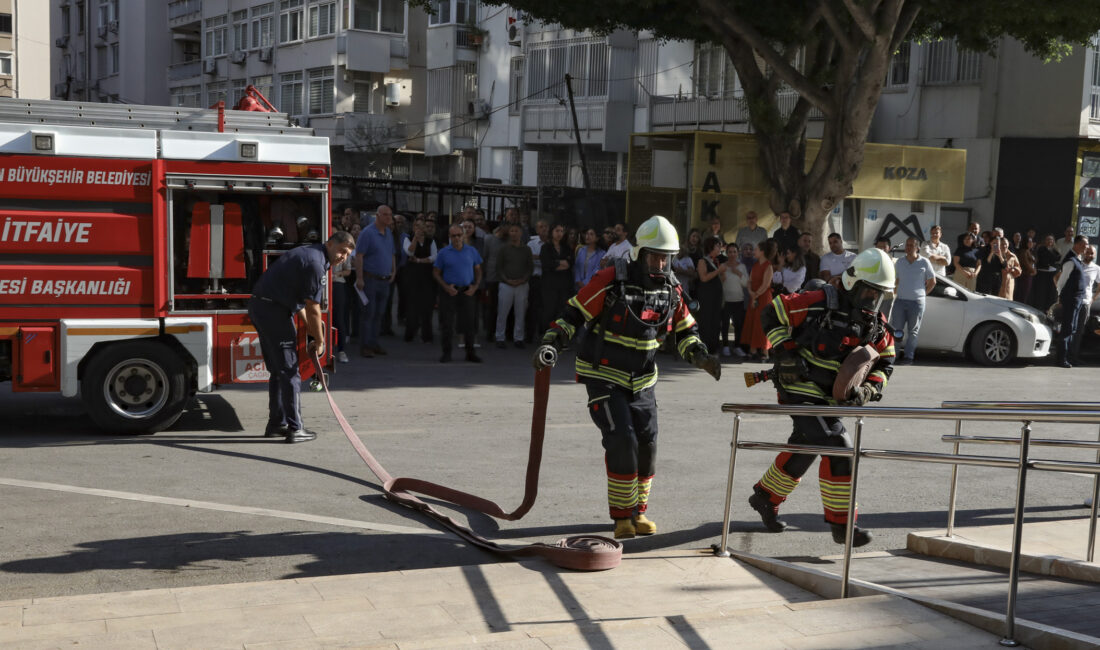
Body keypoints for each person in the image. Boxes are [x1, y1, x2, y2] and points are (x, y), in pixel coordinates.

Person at [532, 215, 720, 540]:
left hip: (643, 380)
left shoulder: (671, 289)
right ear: (639, 253)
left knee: (647, 444)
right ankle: (621, 518)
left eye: (666, 257)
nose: (660, 263)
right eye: (654, 256)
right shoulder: (611, 280)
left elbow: (688, 330)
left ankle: (638, 512)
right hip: (603, 374)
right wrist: (551, 343)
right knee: (623, 439)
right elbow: (573, 313)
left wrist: (700, 356)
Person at [747, 248, 896, 547]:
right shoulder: (818, 302)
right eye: (869, 292)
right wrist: (786, 353)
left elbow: (886, 360)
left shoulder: (875, 323)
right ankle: (842, 526)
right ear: (853, 282)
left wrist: (868, 389)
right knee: (838, 445)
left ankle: (765, 497)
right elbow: (772, 312)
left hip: (830, 400)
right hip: (798, 390)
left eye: (879, 296)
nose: (873, 301)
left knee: (806, 446)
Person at [249, 232, 356, 444]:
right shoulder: (316, 264)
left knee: (278, 371)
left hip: (262, 307)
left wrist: (312, 331)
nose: (343, 257)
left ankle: (276, 424)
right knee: (289, 371)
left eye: (348, 254)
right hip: (273, 311)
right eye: (342, 251)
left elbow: (300, 305)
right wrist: (320, 340)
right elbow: (313, 308)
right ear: (330, 243)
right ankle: (295, 428)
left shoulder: (312, 255)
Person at [434, 225, 484, 363]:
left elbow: (478, 270)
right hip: (449, 291)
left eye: (459, 235)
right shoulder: (444, 253)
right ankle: (446, 352)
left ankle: (470, 353)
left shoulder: (471, 251)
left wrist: (475, 286)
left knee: (469, 323)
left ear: (463, 235)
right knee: (447, 324)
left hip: (467, 291)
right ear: (449, 237)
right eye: (453, 236)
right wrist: (445, 287)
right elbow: (436, 273)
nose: (456, 238)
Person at [354, 204, 396, 358]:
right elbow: (359, 256)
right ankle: (365, 345)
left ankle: (373, 342)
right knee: (368, 313)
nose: (389, 218)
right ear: (377, 216)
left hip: (384, 280)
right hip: (370, 279)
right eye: (385, 215)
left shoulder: (389, 233)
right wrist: (359, 278)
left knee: (379, 314)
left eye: (390, 215)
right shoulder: (367, 233)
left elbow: (391, 253)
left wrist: (393, 270)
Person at [891, 237, 936, 365]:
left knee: (913, 331)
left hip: (917, 303)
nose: (908, 247)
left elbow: (933, 282)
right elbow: (897, 281)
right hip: (900, 301)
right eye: (907, 245)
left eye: (911, 245)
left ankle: (908, 357)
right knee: (897, 330)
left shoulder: (924, 262)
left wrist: (923, 294)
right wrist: (893, 294)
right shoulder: (899, 262)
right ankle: (894, 355)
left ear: (917, 248)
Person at [1053, 235, 1090, 367]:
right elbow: (1061, 282)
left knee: (1072, 329)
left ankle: (1067, 357)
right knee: (1067, 329)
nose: (1086, 246)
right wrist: (1060, 297)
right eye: (1085, 244)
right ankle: (1061, 359)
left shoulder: (1077, 259)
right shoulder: (1070, 260)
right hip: (1071, 300)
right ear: (1078, 244)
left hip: (1078, 299)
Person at [495, 224, 534, 348]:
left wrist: (523, 279)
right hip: (506, 284)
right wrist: (507, 280)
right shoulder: (503, 249)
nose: (514, 233)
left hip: (522, 285)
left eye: (516, 231)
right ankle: (500, 337)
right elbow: (499, 267)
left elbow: (530, 267)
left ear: (521, 233)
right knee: (502, 312)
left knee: (520, 313)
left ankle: (518, 338)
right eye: (511, 230)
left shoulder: (526, 249)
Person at [402, 216, 438, 343]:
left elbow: (434, 257)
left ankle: (427, 335)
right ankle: (410, 333)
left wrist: (419, 260)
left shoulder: (431, 241)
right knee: (412, 306)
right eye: (417, 226)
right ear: (414, 227)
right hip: (412, 276)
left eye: (422, 226)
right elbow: (410, 252)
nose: (420, 229)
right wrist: (415, 239)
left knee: (427, 306)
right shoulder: (408, 239)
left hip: (427, 276)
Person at [743, 240, 776, 362]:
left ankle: (765, 352)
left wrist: (755, 295)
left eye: (756, 249)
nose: (754, 251)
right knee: (753, 322)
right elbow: (750, 280)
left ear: (762, 252)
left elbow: (765, 285)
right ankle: (753, 350)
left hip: (763, 298)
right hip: (755, 297)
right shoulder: (756, 265)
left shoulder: (768, 266)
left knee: (762, 323)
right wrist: (751, 293)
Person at [695, 236, 727, 354]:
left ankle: (714, 347)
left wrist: (722, 274)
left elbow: (719, 278)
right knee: (706, 320)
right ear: (711, 247)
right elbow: (703, 278)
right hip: (706, 296)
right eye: (717, 245)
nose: (719, 248)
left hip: (716, 295)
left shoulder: (717, 261)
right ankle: (705, 346)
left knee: (715, 321)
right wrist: (718, 271)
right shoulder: (702, 261)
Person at [1070, 245, 1099, 365]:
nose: (1089, 255)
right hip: (1074, 301)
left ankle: (1073, 357)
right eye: (1087, 252)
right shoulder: (1077, 265)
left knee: (1079, 331)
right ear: (1083, 253)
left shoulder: (1097, 269)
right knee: (1069, 329)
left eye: (1092, 253)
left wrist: (1093, 298)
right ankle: (1064, 355)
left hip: (1086, 303)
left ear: (1095, 255)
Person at [540, 223, 574, 326]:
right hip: (549, 285)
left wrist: (556, 263)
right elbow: (547, 264)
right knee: (549, 310)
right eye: (557, 231)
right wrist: (560, 263)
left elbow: (570, 263)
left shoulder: (567, 247)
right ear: (552, 232)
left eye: (561, 231)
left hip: (564, 284)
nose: (559, 233)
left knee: (562, 310)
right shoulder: (546, 247)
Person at [719, 242, 749, 358]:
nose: (732, 254)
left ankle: (737, 347)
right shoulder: (723, 266)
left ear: (738, 253)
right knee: (725, 324)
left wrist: (739, 274)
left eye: (734, 252)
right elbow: (717, 283)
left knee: (738, 324)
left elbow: (747, 283)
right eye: (730, 252)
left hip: (738, 299)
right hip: (726, 300)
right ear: (727, 253)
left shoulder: (742, 267)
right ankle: (725, 346)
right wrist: (722, 278)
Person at [1033, 235, 1061, 312]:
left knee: (1051, 291)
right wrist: (1050, 256)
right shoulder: (1041, 249)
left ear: (1053, 241)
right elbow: (1043, 259)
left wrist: (1051, 253)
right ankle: (1039, 307)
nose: (1049, 241)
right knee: (1041, 291)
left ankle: (1048, 308)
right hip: (1042, 273)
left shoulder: (1055, 250)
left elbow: (1057, 258)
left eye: (1051, 240)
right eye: (1048, 240)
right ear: (1045, 241)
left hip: (1052, 274)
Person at [1015, 236, 1037, 305]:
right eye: (1029, 242)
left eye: (1032, 242)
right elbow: (1026, 263)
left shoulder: (1029, 251)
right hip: (1025, 275)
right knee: (1023, 293)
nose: (1031, 243)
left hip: (1029, 275)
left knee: (1026, 294)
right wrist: (1033, 271)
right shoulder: (1023, 252)